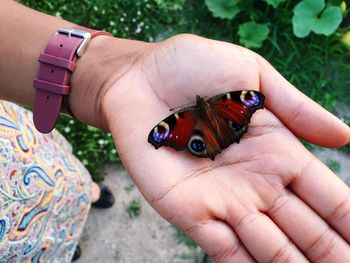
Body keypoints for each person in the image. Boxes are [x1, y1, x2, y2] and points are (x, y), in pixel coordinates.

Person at [1, 1, 350, 262]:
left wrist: (107, 73)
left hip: (25, 155)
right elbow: (178, 125)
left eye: (245, 103)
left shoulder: (180, 120)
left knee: (65, 179)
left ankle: (84, 193)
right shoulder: (218, 106)